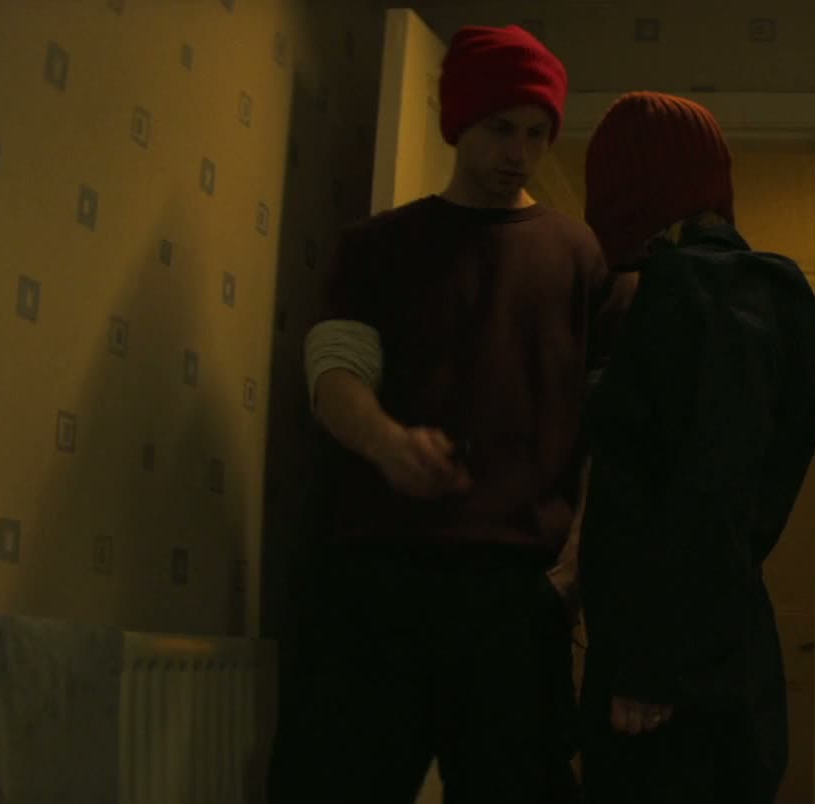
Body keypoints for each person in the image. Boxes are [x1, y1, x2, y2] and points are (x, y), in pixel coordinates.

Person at [267, 24, 630, 804]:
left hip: (513, 593)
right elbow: (334, 370)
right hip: (377, 584)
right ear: (459, 121)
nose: (519, 153)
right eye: (501, 128)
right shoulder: (379, 246)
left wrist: (573, 565)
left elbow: (613, 430)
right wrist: (386, 442)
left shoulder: (578, 258)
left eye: (536, 134)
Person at [572, 91, 815, 804]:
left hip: (671, 687)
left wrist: (649, 666)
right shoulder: (762, 298)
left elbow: (706, 489)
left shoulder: (690, 296)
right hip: (721, 653)